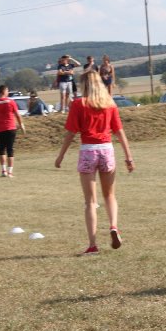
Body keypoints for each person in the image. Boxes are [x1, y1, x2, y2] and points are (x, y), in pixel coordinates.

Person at [55, 70, 135, 256]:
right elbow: (119, 131)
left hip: (88, 151)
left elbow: (70, 133)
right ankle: (113, 226)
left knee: (90, 202)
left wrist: (61, 156)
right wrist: (128, 157)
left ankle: (92, 245)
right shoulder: (109, 103)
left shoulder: (78, 104)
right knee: (110, 195)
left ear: (84, 85)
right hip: (107, 150)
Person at [0, 85, 25, 178]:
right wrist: (21, 125)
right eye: (7, 90)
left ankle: (4, 171)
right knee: (10, 149)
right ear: (5, 91)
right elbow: (17, 115)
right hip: (11, 128)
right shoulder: (11, 102)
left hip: (0, 129)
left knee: (1, 149)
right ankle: (10, 172)